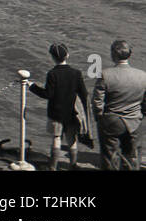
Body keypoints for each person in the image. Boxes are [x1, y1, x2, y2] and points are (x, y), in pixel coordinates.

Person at [28, 43, 89, 171]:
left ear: (52, 57)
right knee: (72, 139)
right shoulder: (76, 73)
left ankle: (52, 166)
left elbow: (47, 94)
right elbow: (84, 93)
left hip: (56, 113)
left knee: (56, 138)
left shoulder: (52, 74)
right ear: (67, 55)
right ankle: (73, 164)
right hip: (72, 112)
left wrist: (32, 86)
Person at [93, 38, 146, 170]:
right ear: (130, 54)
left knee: (109, 156)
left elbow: (97, 102)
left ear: (113, 54)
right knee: (132, 156)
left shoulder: (105, 74)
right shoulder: (142, 76)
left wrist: (99, 117)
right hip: (135, 120)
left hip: (112, 120)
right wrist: (142, 115)